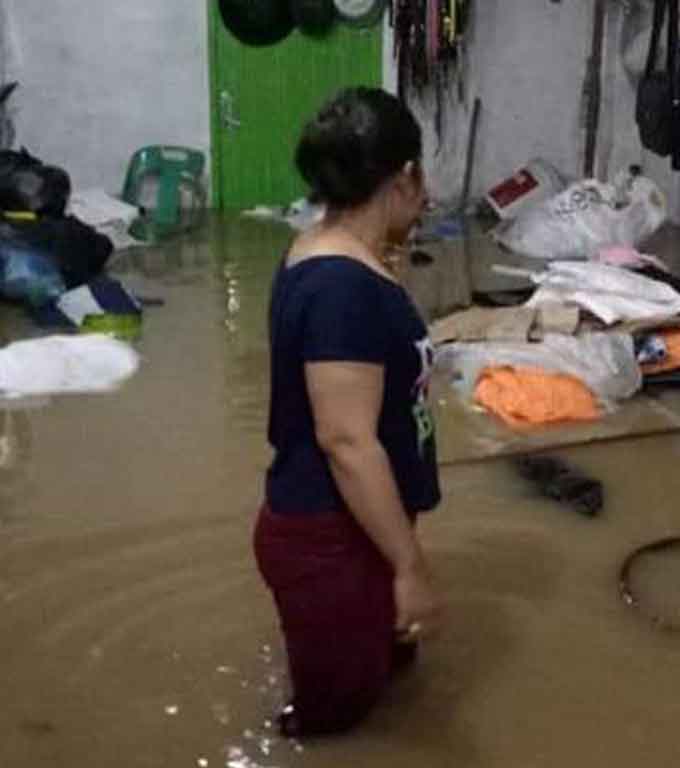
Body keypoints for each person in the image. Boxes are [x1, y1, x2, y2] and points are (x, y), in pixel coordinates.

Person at [253, 87, 443, 738]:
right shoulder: (341, 286)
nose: (429, 195)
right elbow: (346, 441)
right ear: (403, 177)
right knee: (333, 727)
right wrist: (410, 566)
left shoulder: (332, 250)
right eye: (422, 176)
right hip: (330, 539)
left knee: (386, 684)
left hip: (354, 534)